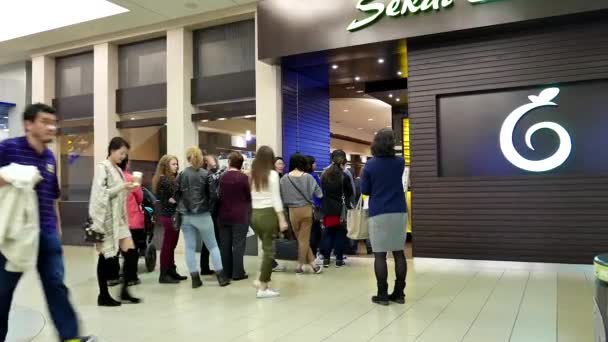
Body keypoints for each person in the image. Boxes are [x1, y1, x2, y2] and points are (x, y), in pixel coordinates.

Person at [0, 103, 95, 342]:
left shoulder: (50, 157)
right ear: (28, 124)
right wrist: (15, 176)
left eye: (53, 123)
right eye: (44, 121)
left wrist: (57, 227)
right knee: (3, 291)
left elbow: (53, 196)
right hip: (16, 235)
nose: (51, 127)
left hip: (46, 232)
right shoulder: (8, 148)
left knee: (56, 285)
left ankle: (70, 337)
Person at [89, 137, 142, 307]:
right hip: (105, 220)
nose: (123, 156)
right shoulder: (102, 168)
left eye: (125, 154)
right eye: (121, 153)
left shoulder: (117, 170)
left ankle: (124, 291)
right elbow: (100, 193)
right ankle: (103, 295)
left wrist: (128, 188)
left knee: (131, 253)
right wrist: (123, 187)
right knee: (105, 257)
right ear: (112, 150)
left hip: (119, 219)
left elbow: (118, 194)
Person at [361, 128, 408, 306]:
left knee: (380, 255)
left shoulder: (370, 165)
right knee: (399, 252)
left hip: (379, 212)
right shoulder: (400, 162)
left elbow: (365, 190)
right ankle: (400, 293)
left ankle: (382, 294)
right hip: (399, 210)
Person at [175, 147, 230, 288]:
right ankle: (221, 277)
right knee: (213, 246)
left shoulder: (181, 174)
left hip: (186, 216)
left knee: (190, 247)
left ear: (188, 158)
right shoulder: (206, 175)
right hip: (203, 215)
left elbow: (177, 195)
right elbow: (213, 196)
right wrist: (209, 210)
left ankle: (195, 279)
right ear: (201, 159)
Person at [250, 146, 289, 299]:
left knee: (264, 248)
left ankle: (261, 279)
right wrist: (281, 219)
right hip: (268, 214)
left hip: (255, 214)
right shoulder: (272, 175)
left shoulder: (253, 174)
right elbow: (275, 198)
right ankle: (263, 285)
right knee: (269, 251)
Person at [280, 153, 323, 274]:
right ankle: (301, 265)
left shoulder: (284, 178)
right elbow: (320, 194)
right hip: (306, 209)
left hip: (292, 211)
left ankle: (312, 264)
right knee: (303, 239)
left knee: (301, 238)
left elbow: (282, 196)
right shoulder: (309, 177)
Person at [152, 154, 187, 284]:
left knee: (171, 245)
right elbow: (172, 199)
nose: (176, 166)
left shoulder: (169, 179)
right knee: (168, 246)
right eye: (173, 164)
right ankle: (164, 274)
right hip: (169, 216)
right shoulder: (164, 180)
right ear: (166, 166)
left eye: (176, 164)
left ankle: (171, 270)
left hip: (172, 215)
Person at [218, 152, 252, 281]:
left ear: (229, 162)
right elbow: (248, 196)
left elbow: (218, 194)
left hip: (223, 215)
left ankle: (226, 272)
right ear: (241, 164)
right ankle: (238, 273)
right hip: (239, 215)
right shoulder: (243, 178)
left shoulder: (222, 177)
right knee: (238, 245)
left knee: (225, 245)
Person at [320, 152, 353, 268]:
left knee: (328, 233)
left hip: (328, 209)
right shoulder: (345, 176)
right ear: (343, 163)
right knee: (340, 234)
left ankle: (326, 259)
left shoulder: (324, 175)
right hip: (341, 211)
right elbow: (350, 192)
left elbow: (322, 191)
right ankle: (339, 260)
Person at [118, 156, 143, 286]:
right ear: (127, 164)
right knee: (132, 251)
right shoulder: (131, 179)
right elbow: (140, 197)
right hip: (132, 220)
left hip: (117, 221)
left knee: (116, 250)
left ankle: (114, 275)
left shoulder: (114, 177)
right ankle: (131, 277)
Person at [200, 154, 222, 276]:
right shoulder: (206, 175)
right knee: (212, 240)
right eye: (211, 160)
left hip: (210, 211)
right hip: (210, 212)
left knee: (209, 240)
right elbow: (213, 194)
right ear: (206, 162)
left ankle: (205, 267)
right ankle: (213, 268)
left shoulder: (214, 174)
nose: (214, 161)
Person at [305, 155, 323, 262]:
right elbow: (319, 193)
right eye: (314, 163)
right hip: (314, 208)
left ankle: (306, 255)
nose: (315, 164)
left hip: (301, 207)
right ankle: (314, 254)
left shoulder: (300, 176)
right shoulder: (314, 176)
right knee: (315, 232)